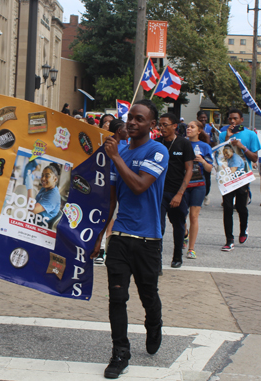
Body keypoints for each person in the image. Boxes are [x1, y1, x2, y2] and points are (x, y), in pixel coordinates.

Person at [90, 99, 168, 378]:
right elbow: (111, 201)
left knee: (148, 295)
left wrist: (117, 158)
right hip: (120, 237)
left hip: (148, 239)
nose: (132, 122)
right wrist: (99, 236)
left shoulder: (157, 151)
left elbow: (138, 185)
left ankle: (154, 322)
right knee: (117, 298)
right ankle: (120, 352)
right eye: (130, 117)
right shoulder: (119, 152)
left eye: (139, 119)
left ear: (151, 125)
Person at [219, 108, 261, 251]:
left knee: (241, 207)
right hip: (227, 176)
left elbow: (255, 158)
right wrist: (227, 139)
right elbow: (221, 156)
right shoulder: (224, 134)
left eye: (235, 118)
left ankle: (243, 230)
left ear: (241, 120)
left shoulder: (250, 135)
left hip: (243, 176)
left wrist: (242, 147)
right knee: (228, 207)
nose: (232, 121)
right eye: (230, 118)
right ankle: (229, 239)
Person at [156, 113, 194, 268]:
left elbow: (189, 169)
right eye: (160, 124)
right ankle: (156, 261)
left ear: (174, 126)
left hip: (177, 191)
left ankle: (177, 256)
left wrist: (179, 193)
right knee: (158, 227)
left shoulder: (183, 144)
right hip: (159, 193)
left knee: (178, 225)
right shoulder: (156, 143)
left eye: (165, 124)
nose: (161, 128)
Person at [95, 118, 128, 265]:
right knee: (107, 217)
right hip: (108, 188)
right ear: (119, 130)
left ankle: (103, 249)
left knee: (110, 219)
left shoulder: (127, 146)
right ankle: (101, 249)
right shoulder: (111, 147)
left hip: (122, 189)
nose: (130, 130)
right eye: (126, 127)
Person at [184, 121, 213, 259]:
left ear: (199, 131)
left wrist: (202, 161)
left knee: (193, 216)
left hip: (198, 184)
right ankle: (184, 233)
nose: (189, 129)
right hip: (182, 185)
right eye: (187, 127)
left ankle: (191, 248)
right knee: (180, 215)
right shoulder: (181, 143)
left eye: (192, 127)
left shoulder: (204, 146)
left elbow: (209, 168)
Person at [197, 111, 216, 206]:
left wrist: (214, 133)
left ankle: (206, 194)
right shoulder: (194, 127)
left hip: (207, 154)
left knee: (207, 177)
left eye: (205, 117)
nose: (203, 119)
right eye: (201, 117)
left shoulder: (210, 128)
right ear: (197, 118)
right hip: (197, 154)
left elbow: (214, 142)